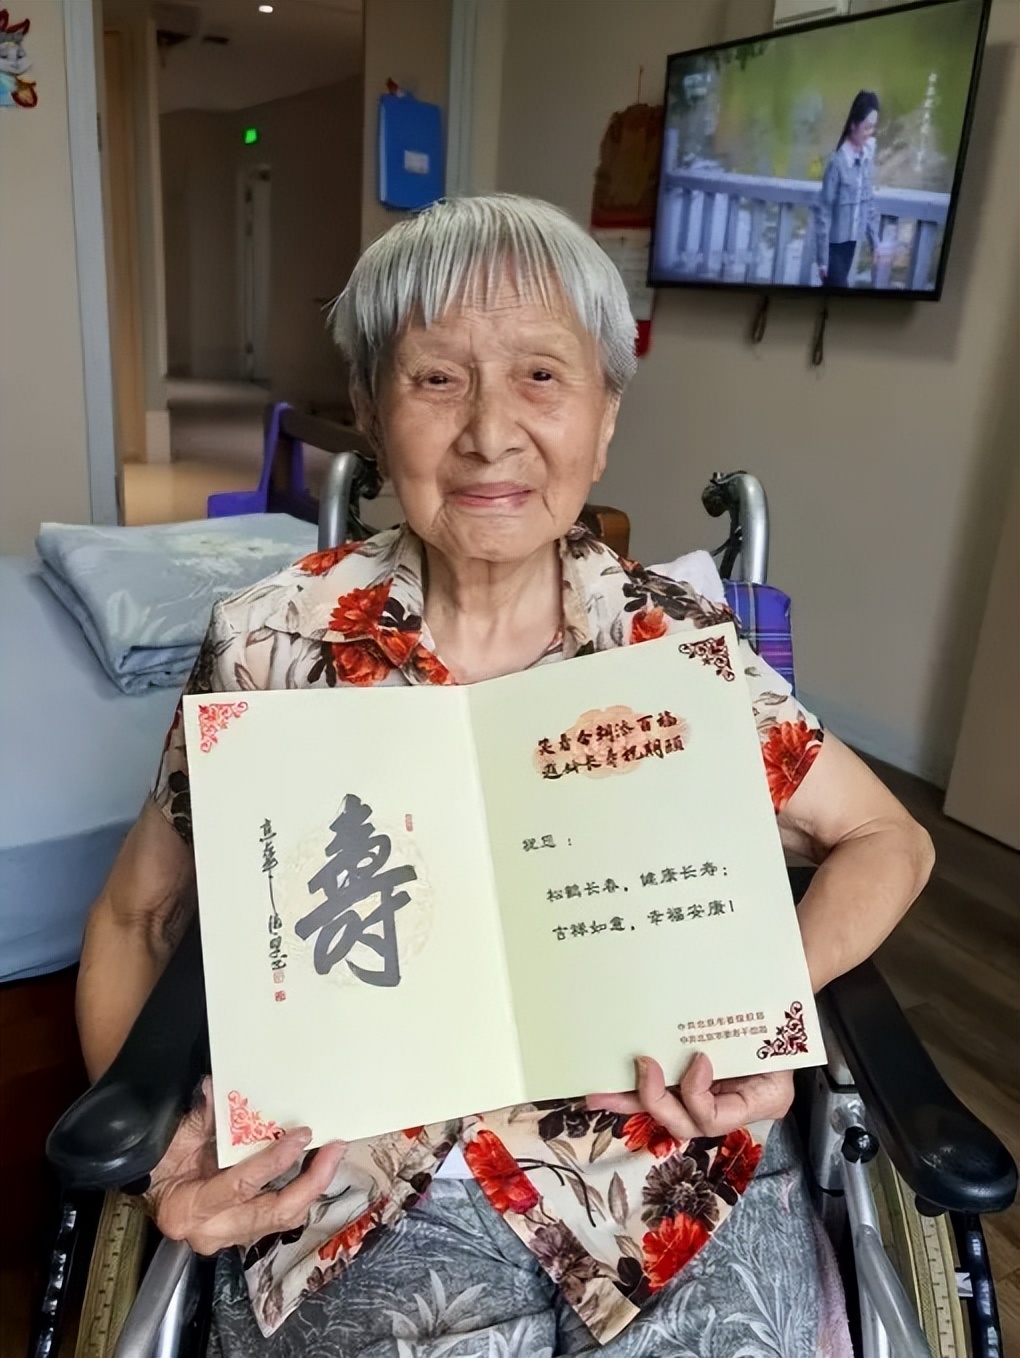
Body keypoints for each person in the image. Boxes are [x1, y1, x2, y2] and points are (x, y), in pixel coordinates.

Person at [77, 194, 933, 1356]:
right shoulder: (271, 642)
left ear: (605, 415)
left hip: (673, 1178)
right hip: (359, 1200)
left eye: (541, 375)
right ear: (371, 409)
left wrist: (755, 1006)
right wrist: (156, 1153)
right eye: (437, 378)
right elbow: (136, 912)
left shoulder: (672, 644)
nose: (490, 432)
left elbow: (889, 839)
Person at [813, 90, 891, 288]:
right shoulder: (837, 163)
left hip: (852, 245)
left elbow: (868, 202)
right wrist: (823, 259)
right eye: (866, 127)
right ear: (853, 125)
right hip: (834, 247)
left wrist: (875, 243)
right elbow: (823, 211)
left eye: (873, 128)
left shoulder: (865, 159)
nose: (870, 133)